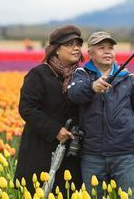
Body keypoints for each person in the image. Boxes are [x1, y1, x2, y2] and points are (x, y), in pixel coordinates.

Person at [67, 31, 134, 199]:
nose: (107, 51)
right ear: (90, 53)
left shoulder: (127, 78)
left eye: (110, 48)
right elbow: (74, 93)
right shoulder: (81, 75)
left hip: (124, 152)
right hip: (92, 153)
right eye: (101, 48)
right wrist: (92, 87)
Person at [15, 25, 84, 196]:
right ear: (56, 49)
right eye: (70, 44)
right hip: (40, 151)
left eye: (78, 44)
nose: (76, 48)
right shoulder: (38, 75)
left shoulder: (81, 77)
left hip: (70, 154)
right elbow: (27, 108)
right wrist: (55, 130)